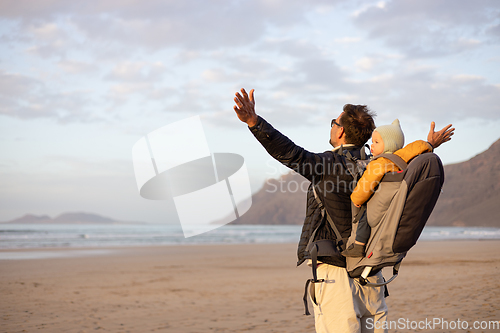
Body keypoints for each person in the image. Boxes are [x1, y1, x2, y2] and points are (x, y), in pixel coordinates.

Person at [233, 88, 454, 333]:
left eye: (333, 123)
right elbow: (408, 160)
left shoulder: (328, 164)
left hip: (335, 272)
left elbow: (289, 152)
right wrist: (429, 144)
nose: (332, 127)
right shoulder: (382, 165)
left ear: (340, 130)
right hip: (372, 273)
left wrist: (254, 122)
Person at [342, 119, 434, 257]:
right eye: (372, 142)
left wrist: (357, 199)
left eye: (377, 142)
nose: (372, 145)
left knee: (364, 214)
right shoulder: (403, 157)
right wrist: (429, 144)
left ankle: (359, 245)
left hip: (379, 206)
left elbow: (366, 184)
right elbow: (416, 147)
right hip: (394, 205)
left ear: (390, 144)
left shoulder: (379, 163)